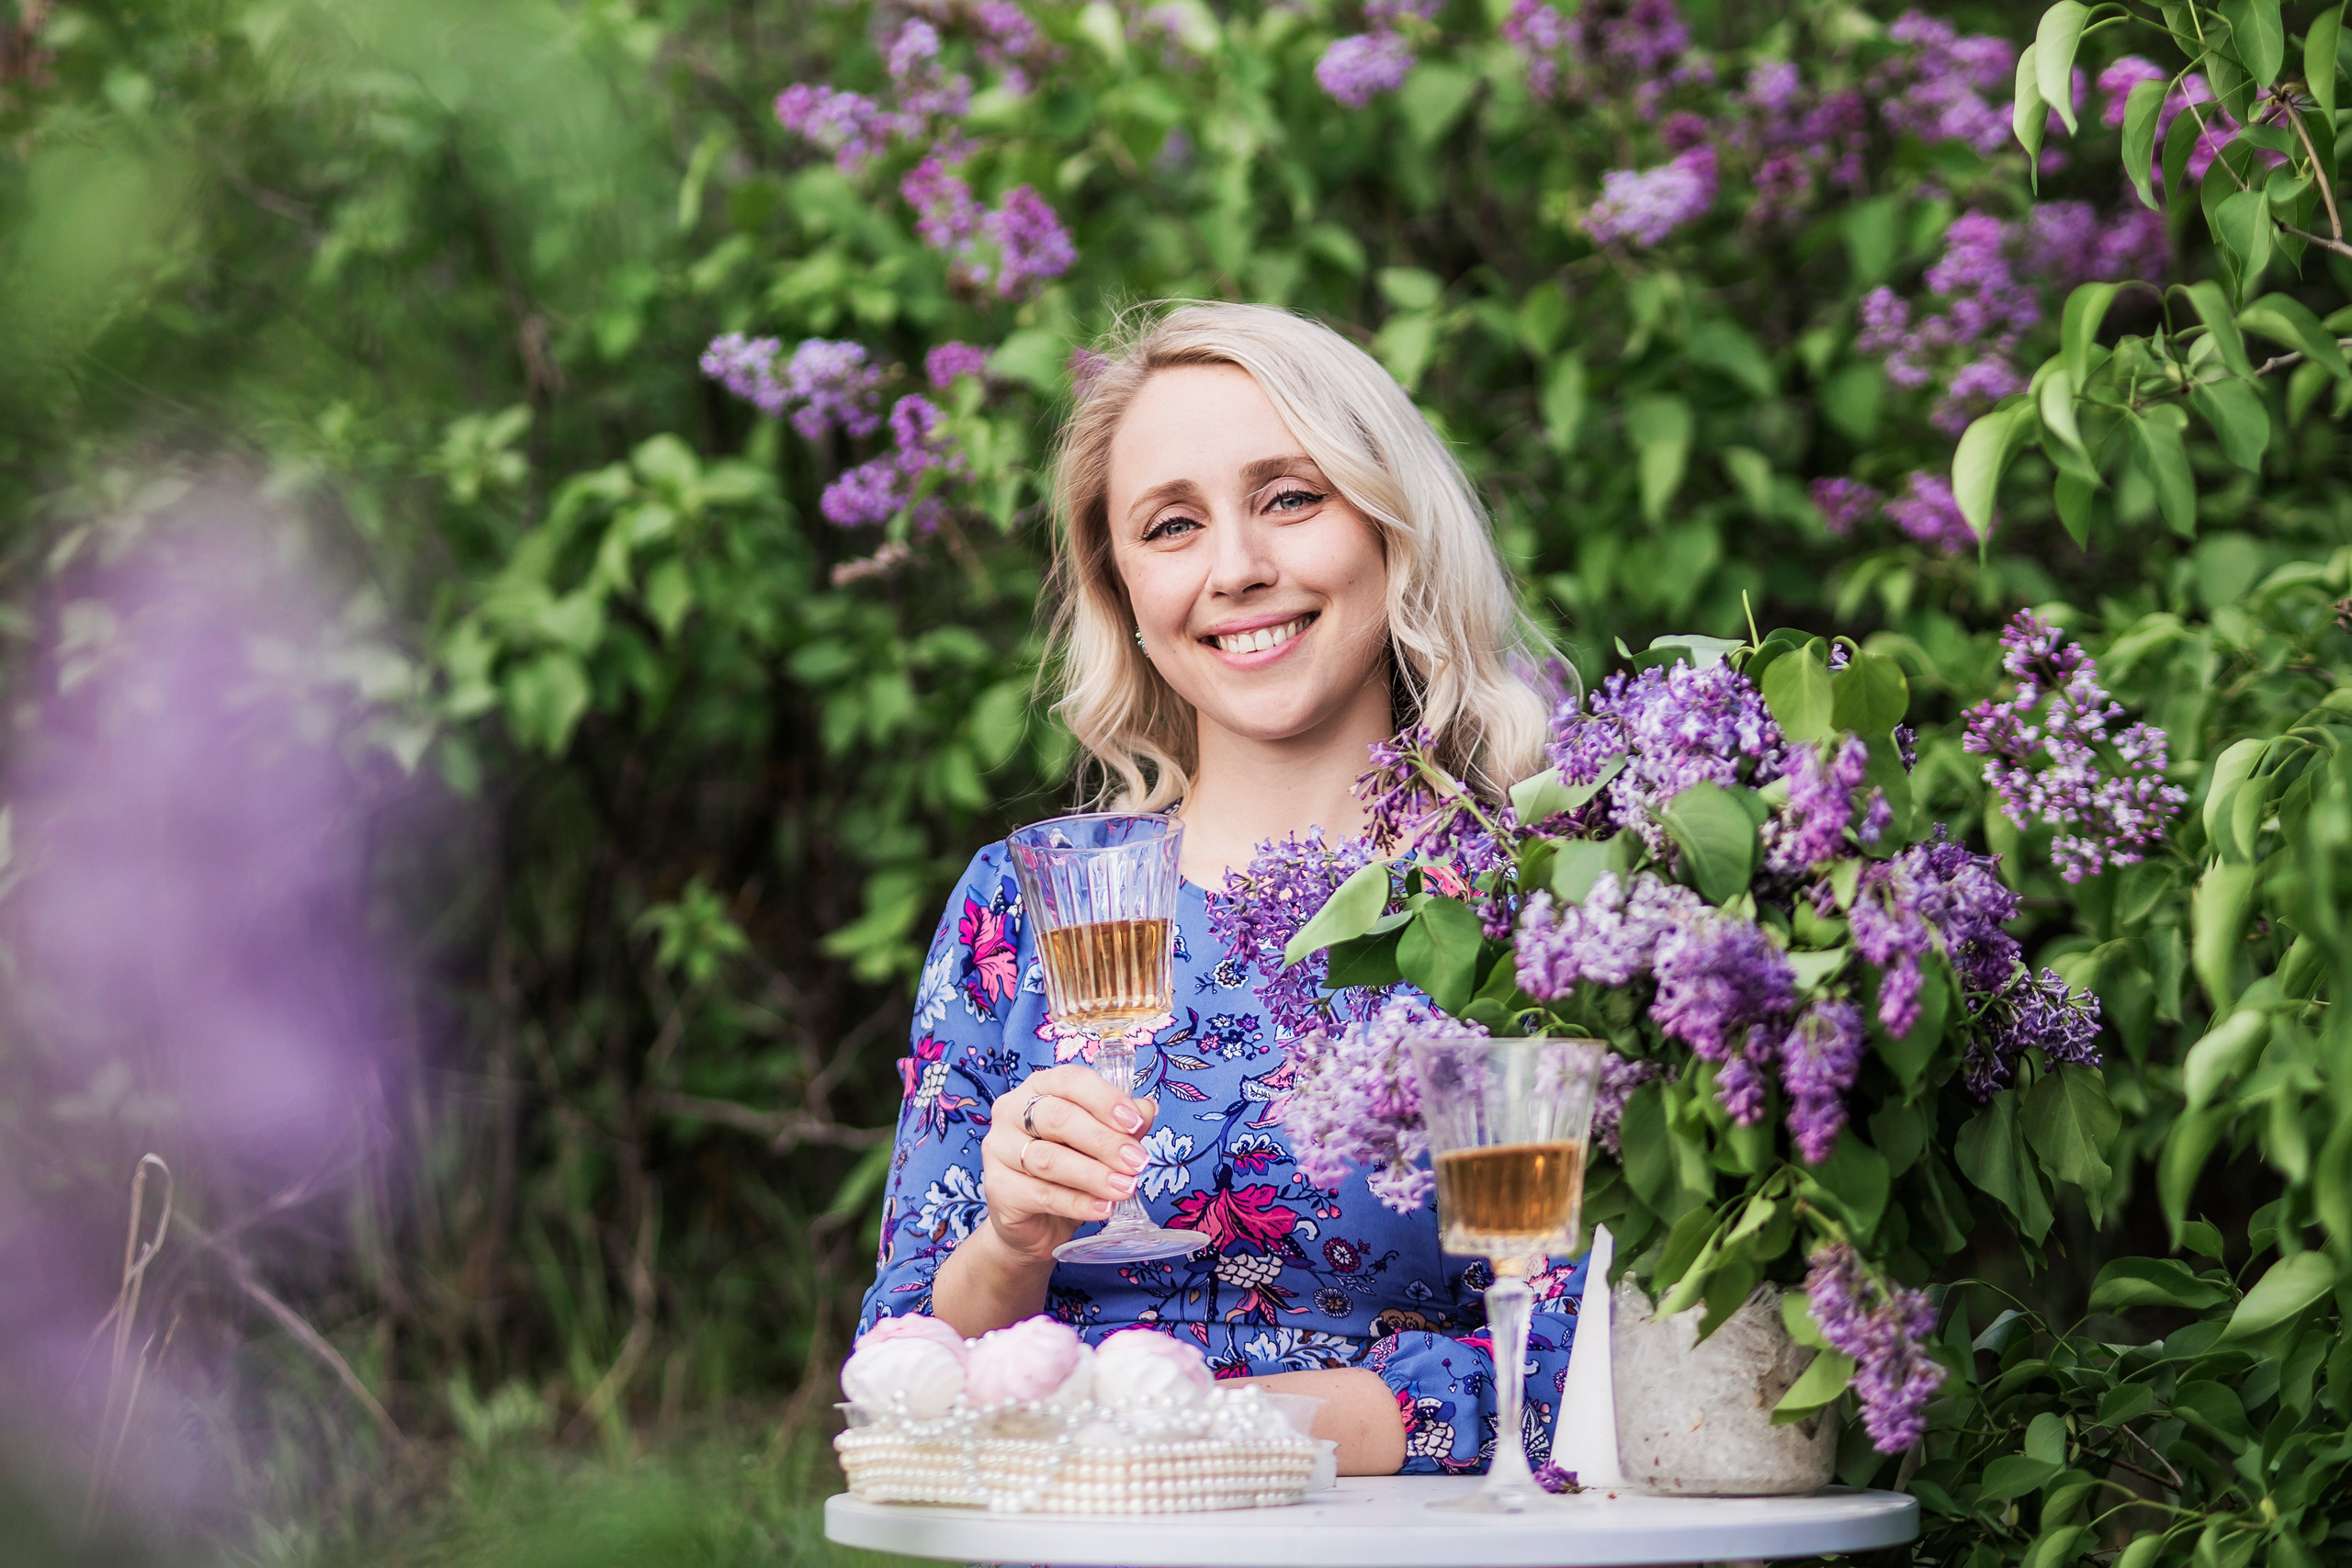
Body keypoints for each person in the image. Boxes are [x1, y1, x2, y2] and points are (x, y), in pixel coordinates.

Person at [858, 302, 1585, 1477]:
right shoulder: (1018, 905)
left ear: (1390, 524)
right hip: (1085, 1544)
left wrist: (1193, 1423)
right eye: (1172, 525)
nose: (1238, 569)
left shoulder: (1533, 904)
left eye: (1290, 498)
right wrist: (1012, 1243)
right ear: (1125, 593)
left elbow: (1582, 1368)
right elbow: (904, 1363)